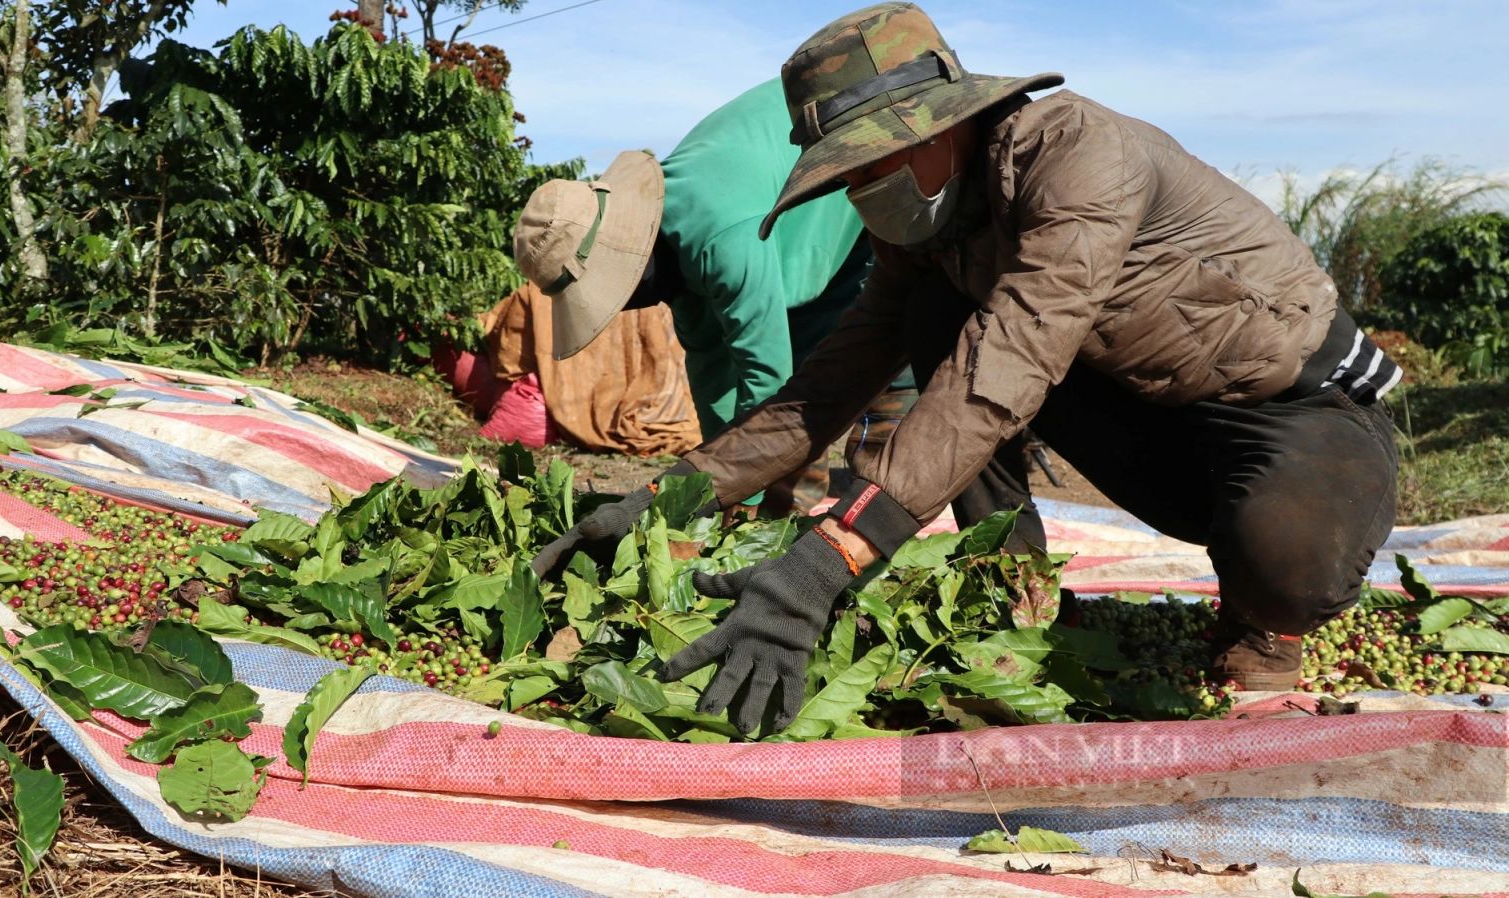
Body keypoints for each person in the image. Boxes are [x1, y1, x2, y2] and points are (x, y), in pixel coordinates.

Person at [535, 1, 1401, 735]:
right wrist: (666, 498)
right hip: (1139, 406)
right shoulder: (929, 226)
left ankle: (1262, 623)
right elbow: (825, 385)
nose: (866, 192)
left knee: (1284, 566)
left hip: (1285, 403)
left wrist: (819, 565)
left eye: (876, 163)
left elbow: (1008, 363)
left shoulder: (1076, 156)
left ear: (945, 124)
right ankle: (1012, 596)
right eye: (851, 176)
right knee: (931, 321)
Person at [513, 79, 920, 518]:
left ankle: (878, 518)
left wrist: (742, 496)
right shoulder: (673, 254)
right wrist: (715, 480)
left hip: (860, 180)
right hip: (792, 231)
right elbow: (712, 371)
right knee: (800, 375)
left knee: (878, 352)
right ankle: (786, 517)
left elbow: (765, 377)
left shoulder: (719, 235)